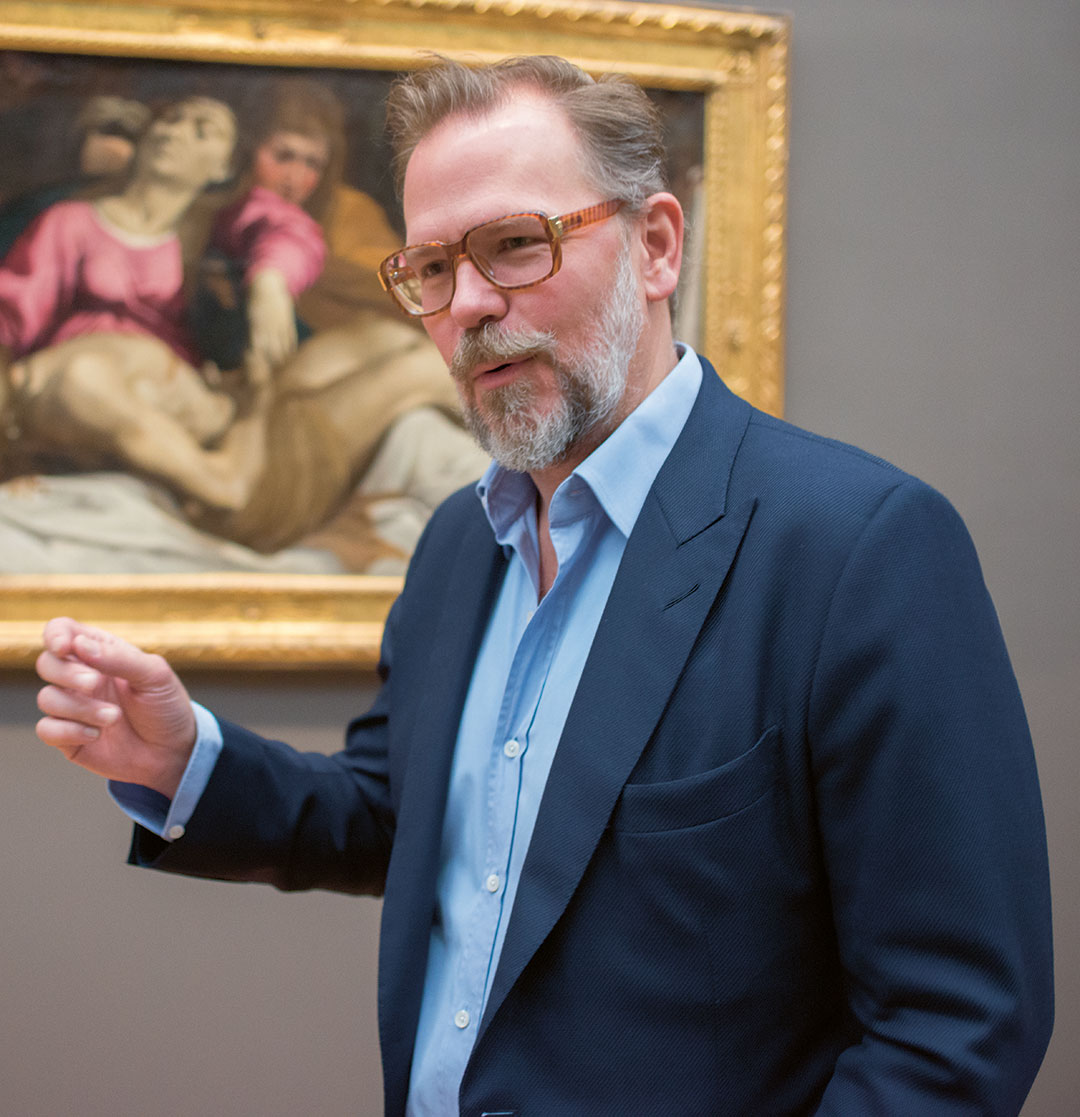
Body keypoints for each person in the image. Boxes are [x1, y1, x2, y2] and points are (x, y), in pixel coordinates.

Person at [34, 55, 1053, 1115]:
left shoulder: (859, 548)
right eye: (430, 267)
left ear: (655, 246)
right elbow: (399, 813)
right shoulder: (455, 544)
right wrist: (187, 759)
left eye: (515, 244)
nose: (468, 304)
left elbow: (954, 1027)